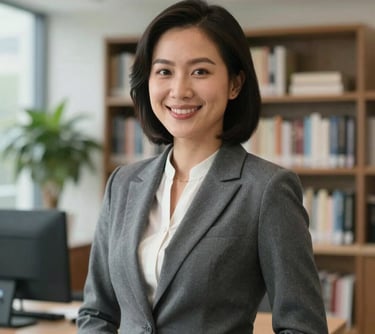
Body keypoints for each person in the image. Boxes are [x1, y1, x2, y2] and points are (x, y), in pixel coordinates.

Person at [77, 0, 328, 333]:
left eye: (200, 71)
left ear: (235, 84)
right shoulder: (123, 184)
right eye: (164, 71)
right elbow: (97, 313)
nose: (179, 90)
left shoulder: (267, 189)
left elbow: (303, 326)